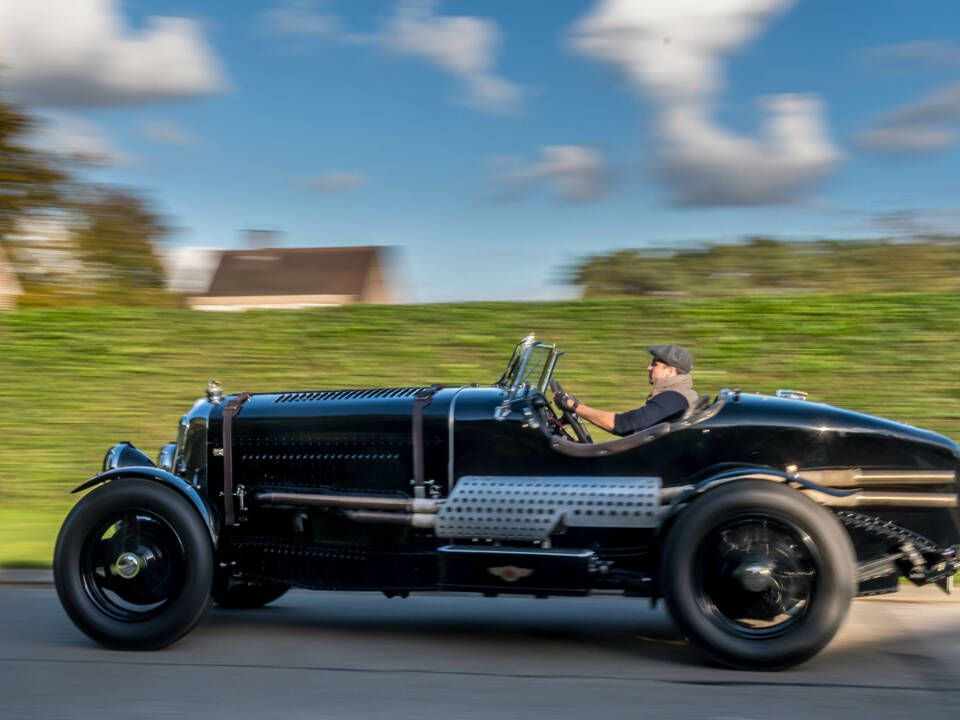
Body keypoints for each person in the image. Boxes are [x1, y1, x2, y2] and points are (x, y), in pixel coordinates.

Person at [554, 344, 698, 436]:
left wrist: (574, 406)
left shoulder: (674, 398)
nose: (648, 368)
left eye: (655, 364)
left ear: (670, 371)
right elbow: (632, 430)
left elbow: (623, 424)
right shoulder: (679, 394)